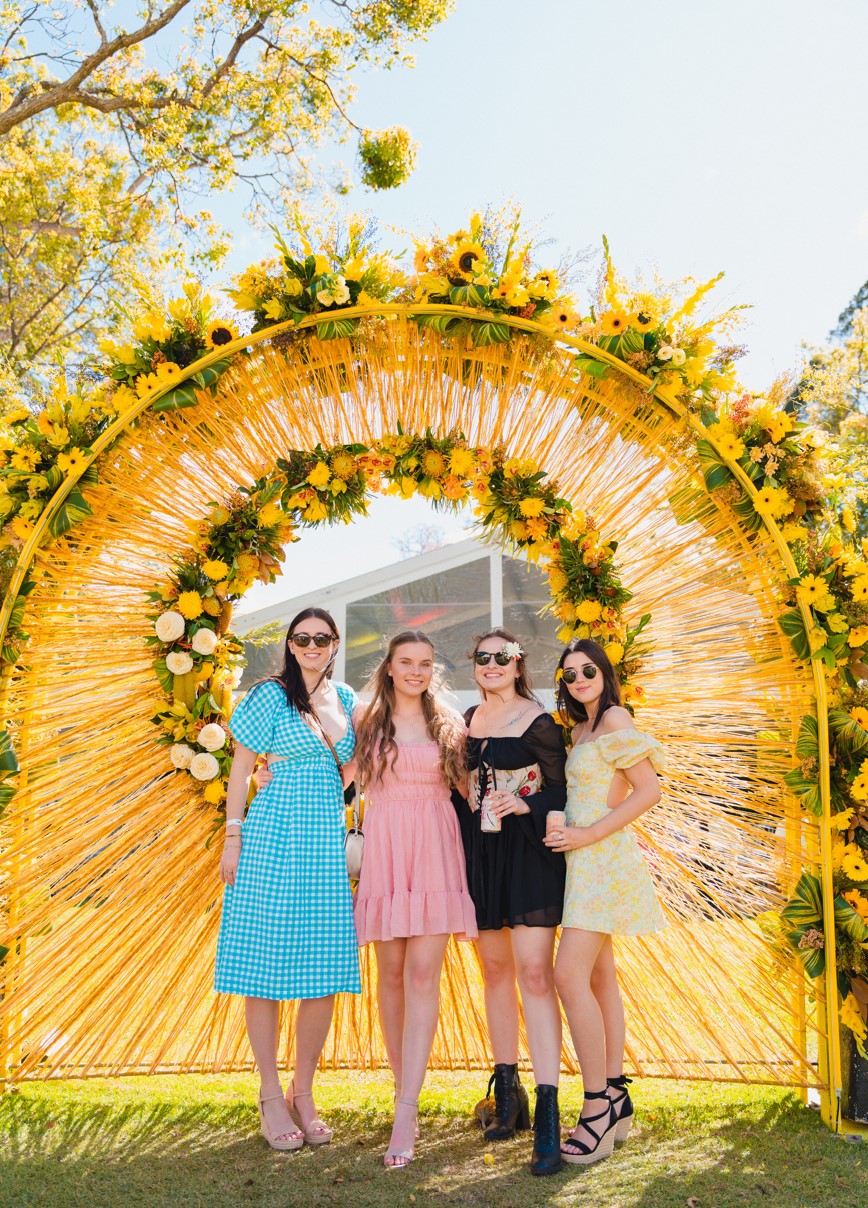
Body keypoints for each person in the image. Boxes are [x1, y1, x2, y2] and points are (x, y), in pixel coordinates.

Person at [215, 607, 359, 1151]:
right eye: (303, 638)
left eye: (322, 638)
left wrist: (350, 779)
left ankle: (305, 1090)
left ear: (335, 642)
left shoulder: (346, 701)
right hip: (272, 836)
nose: (313, 645)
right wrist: (233, 837)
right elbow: (239, 769)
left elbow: (355, 764)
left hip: (324, 842)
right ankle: (270, 1094)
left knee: (323, 969)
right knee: (263, 965)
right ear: (291, 644)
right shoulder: (267, 696)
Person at [351, 630, 477, 1168]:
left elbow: (472, 790)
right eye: (407, 662)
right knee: (393, 975)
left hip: (434, 849)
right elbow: (341, 779)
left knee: (424, 974)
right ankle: (406, 1089)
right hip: (385, 849)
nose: (417, 671)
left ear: (433, 669)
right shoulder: (366, 720)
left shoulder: (450, 723)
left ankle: (406, 1110)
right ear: (390, 666)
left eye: (425, 663)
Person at [543, 638, 665, 1166]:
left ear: (604, 671)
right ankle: (616, 1092)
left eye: (587, 669)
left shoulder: (615, 718)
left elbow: (649, 791)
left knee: (568, 976)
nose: (579, 680)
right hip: (581, 862)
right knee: (598, 978)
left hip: (603, 860)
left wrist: (588, 834)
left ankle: (595, 1107)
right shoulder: (579, 730)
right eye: (569, 675)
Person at [459, 627, 567, 1177]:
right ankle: (508, 1097)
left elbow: (563, 791)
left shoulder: (539, 721)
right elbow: (458, 791)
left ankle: (549, 1114)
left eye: (502, 656)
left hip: (529, 858)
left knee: (533, 975)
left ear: (518, 663)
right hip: (481, 856)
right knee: (495, 971)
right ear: (474, 666)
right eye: (483, 658)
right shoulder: (465, 722)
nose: (492, 664)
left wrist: (523, 802)